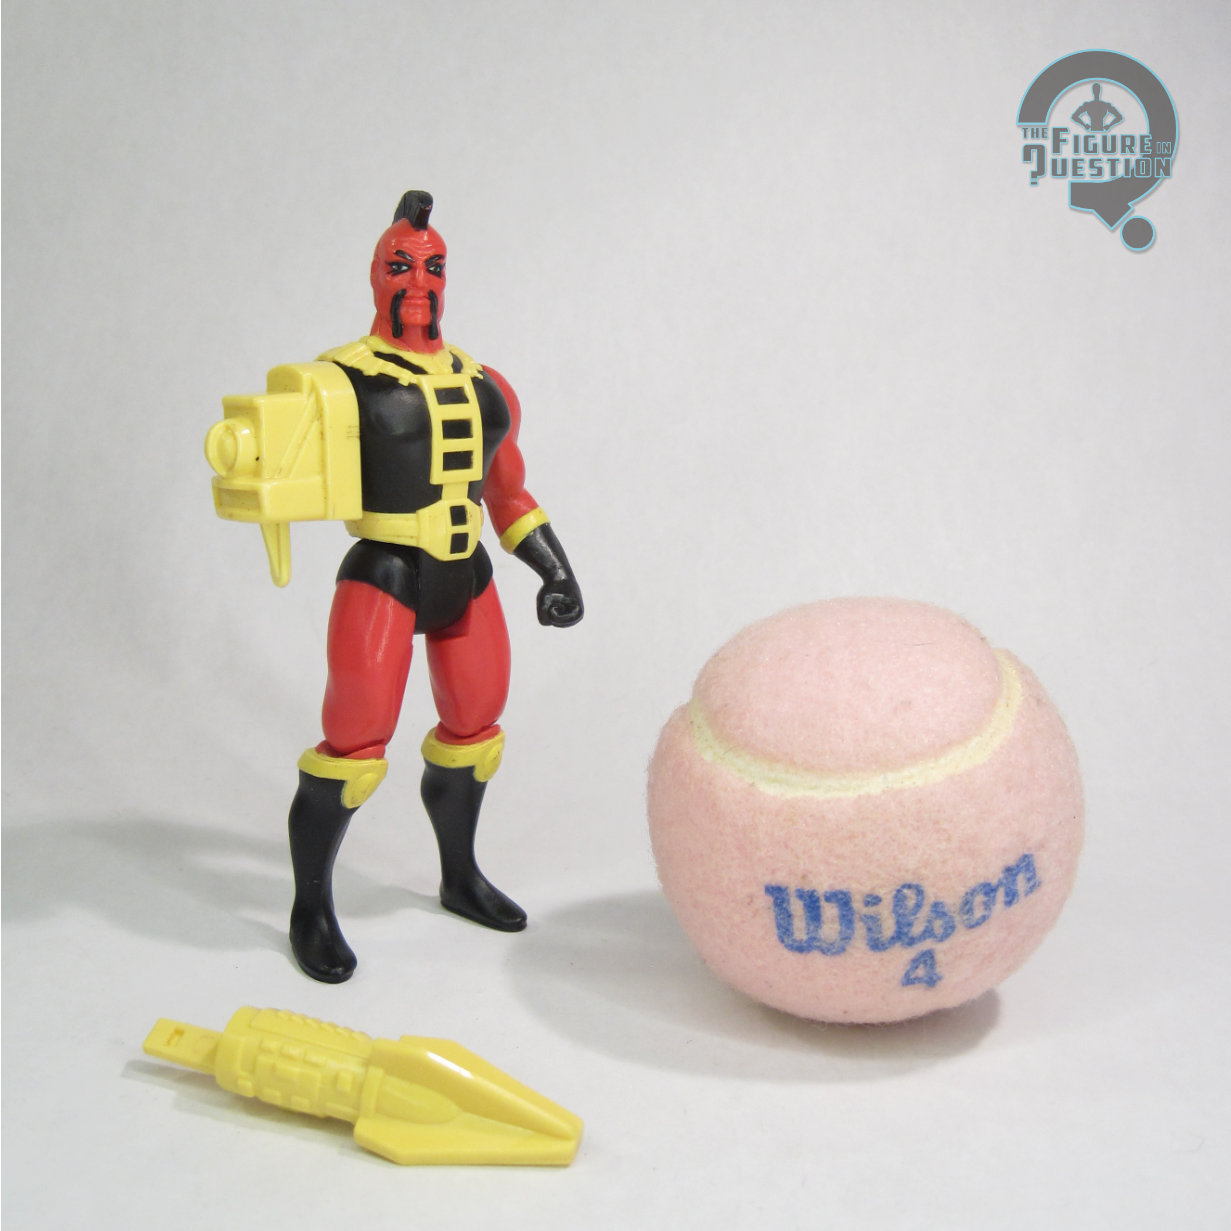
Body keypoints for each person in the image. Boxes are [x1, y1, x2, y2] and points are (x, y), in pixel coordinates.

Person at [282, 190, 583, 981]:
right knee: (354, 741)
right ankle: (310, 906)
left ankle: (459, 874)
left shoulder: (487, 385)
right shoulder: (338, 379)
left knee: (475, 726)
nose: (418, 282)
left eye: (432, 267)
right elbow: (277, 453)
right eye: (401, 266)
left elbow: (507, 491)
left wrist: (554, 568)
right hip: (385, 571)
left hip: (464, 570)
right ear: (375, 274)